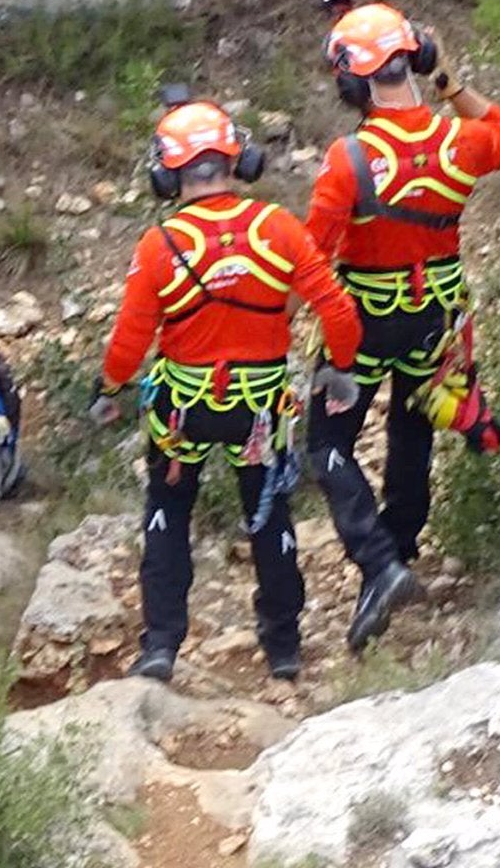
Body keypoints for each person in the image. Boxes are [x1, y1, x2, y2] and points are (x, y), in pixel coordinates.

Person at [92, 96, 364, 684]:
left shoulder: (158, 247)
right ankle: (283, 645)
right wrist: (339, 368)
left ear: (168, 174)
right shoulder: (279, 229)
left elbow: (129, 341)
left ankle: (162, 643)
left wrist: (109, 387)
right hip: (259, 409)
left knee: (167, 510)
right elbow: (338, 311)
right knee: (269, 517)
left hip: (182, 409)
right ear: (237, 161)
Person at [305, 0, 500, 653]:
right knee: (413, 424)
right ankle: (400, 546)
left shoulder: (349, 160)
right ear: (415, 61)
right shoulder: (462, 140)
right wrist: (447, 79)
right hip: (437, 318)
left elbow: (314, 251)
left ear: (351, 81)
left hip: (364, 324)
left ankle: (380, 565)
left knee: (328, 443)